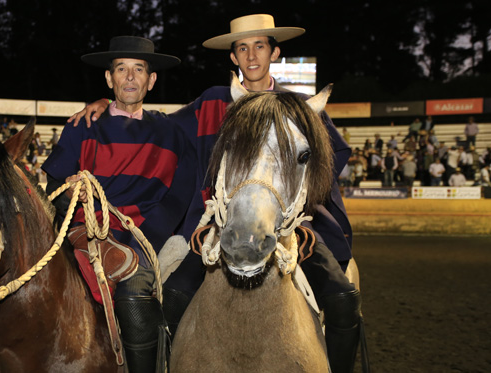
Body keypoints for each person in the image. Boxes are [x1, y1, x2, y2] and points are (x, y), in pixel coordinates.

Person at [70, 15, 362, 373]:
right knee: (173, 298)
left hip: (291, 227)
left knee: (344, 299)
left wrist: (299, 211)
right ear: (233, 58)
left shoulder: (299, 107)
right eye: (242, 48)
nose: (251, 55)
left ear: (274, 52)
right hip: (217, 228)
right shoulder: (212, 102)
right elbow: (154, 122)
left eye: (259, 46)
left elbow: (326, 163)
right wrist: (108, 104)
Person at [42, 36, 195, 373]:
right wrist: (68, 191)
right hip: (83, 235)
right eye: (121, 69)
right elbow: (52, 185)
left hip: (143, 239)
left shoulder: (174, 133)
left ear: (151, 80)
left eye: (138, 69)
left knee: (133, 293)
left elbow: (180, 197)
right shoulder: (81, 127)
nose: (129, 77)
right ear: (109, 79)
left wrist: (144, 243)